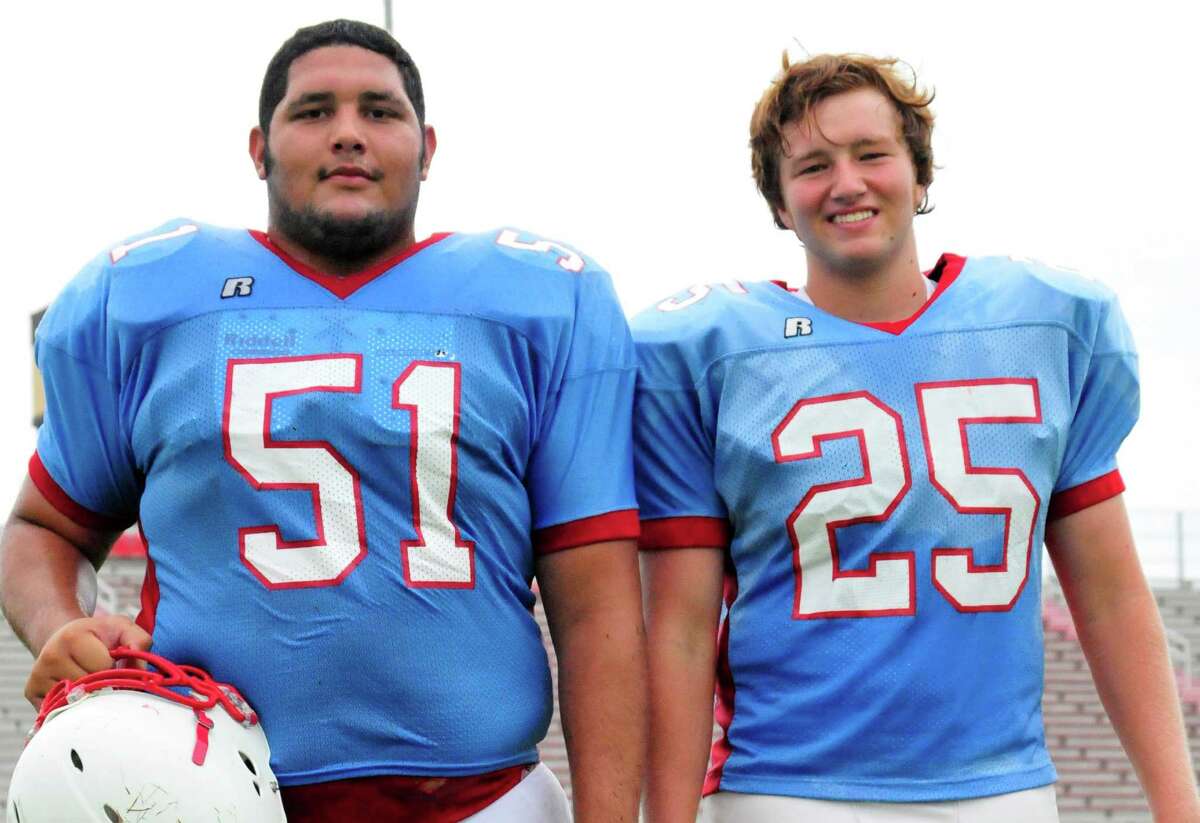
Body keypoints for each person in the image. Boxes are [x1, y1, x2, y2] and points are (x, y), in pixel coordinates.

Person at [0, 19, 645, 823]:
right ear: (258, 148)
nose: (347, 134)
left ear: (428, 145)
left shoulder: (541, 302)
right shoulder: (142, 297)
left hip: (485, 800)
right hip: (204, 796)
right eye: (312, 113)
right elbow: (42, 528)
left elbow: (599, 610)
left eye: (380, 111)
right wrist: (59, 626)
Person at [632, 53, 1198, 822]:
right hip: (787, 789)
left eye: (872, 154)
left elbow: (1109, 595)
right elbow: (682, 631)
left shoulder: (1043, 323)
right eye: (812, 165)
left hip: (1002, 787)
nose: (847, 183)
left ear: (920, 176)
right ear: (778, 202)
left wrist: (1178, 804)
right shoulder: (712, 349)